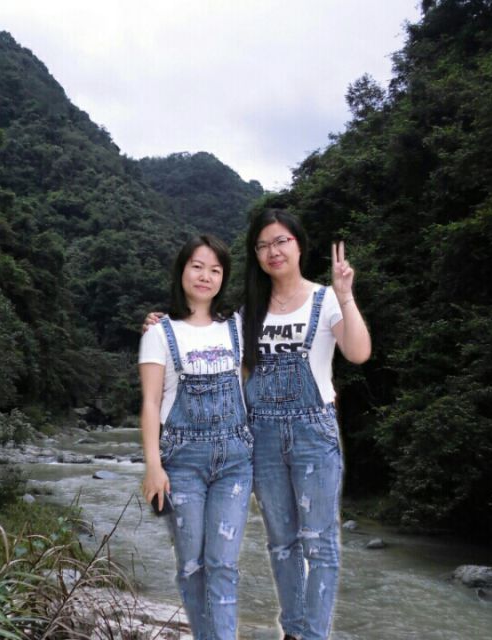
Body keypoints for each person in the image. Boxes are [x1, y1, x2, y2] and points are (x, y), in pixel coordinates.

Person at [243, 208, 371, 640]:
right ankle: (293, 632)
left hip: (313, 433)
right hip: (261, 435)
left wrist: (346, 295)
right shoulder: (248, 312)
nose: (272, 251)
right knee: (282, 543)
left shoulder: (326, 298)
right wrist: (159, 323)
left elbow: (358, 352)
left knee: (319, 543)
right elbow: (225, 361)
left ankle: (314, 635)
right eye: (263, 245)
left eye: (281, 241)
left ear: (298, 245)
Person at [138, 234, 253, 640]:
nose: (206, 276)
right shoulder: (159, 332)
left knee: (222, 565)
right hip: (181, 462)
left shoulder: (237, 327)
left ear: (224, 278)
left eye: (215, 270)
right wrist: (153, 467)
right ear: (182, 271)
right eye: (197, 267)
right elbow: (151, 403)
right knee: (191, 565)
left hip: (236, 461)